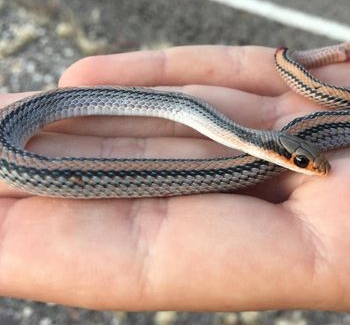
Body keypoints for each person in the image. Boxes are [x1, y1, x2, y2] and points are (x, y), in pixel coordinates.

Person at [0, 45, 349, 310]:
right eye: (303, 161)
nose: (314, 168)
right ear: (280, 151)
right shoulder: (239, 132)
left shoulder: (259, 138)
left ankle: (290, 61)